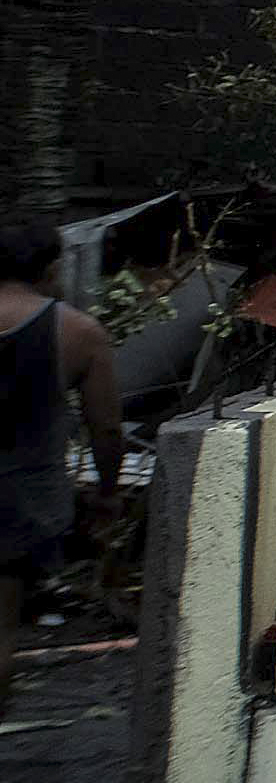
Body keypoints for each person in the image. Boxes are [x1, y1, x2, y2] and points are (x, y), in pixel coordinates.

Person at [0, 215, 126, 688]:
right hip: (20, 502)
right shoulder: (77, 332)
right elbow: (107, 429)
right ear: (51, 268)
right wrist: (108, 494)